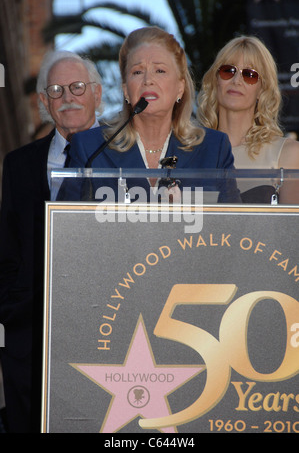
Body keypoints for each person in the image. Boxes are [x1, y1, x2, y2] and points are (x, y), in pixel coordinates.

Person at [0, 50, 102, 432]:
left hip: (104, 329)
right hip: (29, 343)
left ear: (97, 93)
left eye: (77, 87)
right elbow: (7, 251)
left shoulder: (126, 159)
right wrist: (13, 310)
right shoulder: (18, 164)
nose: (67, 97)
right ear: (43, 102)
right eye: (56, 90)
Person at [67, 26, 241, 204]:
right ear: (126, 90)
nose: (148, 80)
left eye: (160, 71)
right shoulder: (91, 150)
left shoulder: (214, 149)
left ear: (180, 88)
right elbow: (67, 225)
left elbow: (234, 226)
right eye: (137, 72)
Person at [197, 35, 299, 204]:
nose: (237, 81)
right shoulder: (189, 151)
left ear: (262, 89)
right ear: (216, 81)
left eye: (249, 75)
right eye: (228, 71)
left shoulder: (288, 154)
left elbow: (291, 229)